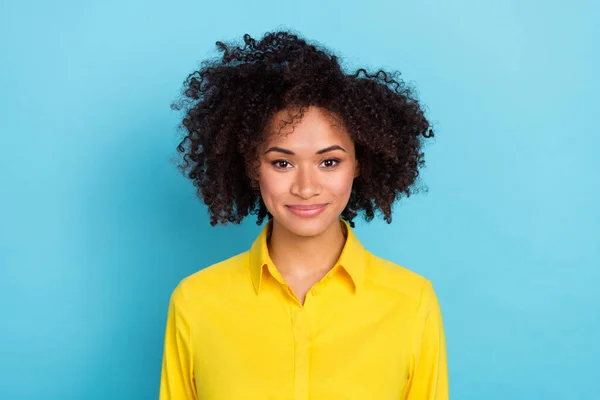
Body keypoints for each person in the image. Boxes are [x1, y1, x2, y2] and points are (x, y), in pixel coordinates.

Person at [159, 30, 448, 400]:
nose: (306, 187)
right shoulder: (195, 302)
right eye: (282, 162)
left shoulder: (411, 301)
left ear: (359, 164)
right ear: (252, 166)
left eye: (329, 161)